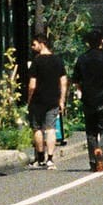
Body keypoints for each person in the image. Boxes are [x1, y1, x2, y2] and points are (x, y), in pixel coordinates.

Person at [73, 29, 103, 171]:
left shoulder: (82, 58)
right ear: (101, 41)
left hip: (89, 101)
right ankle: (101, 150)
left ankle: (93, 162)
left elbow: (76, 80)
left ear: (88, 43)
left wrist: (83, 90)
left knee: (91, 132)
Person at [24, 30, 65, 167]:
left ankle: (39, 158)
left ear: (42, 44)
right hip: (53, 98)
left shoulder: (36, 62)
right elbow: (63, 82)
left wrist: (29, 100)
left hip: (37, 100)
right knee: (51, 128)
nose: (32, 47)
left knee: (37, 129)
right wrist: (62, 100)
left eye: (34, 44)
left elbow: (32, 85)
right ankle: (50, 159)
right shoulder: (58, 60)